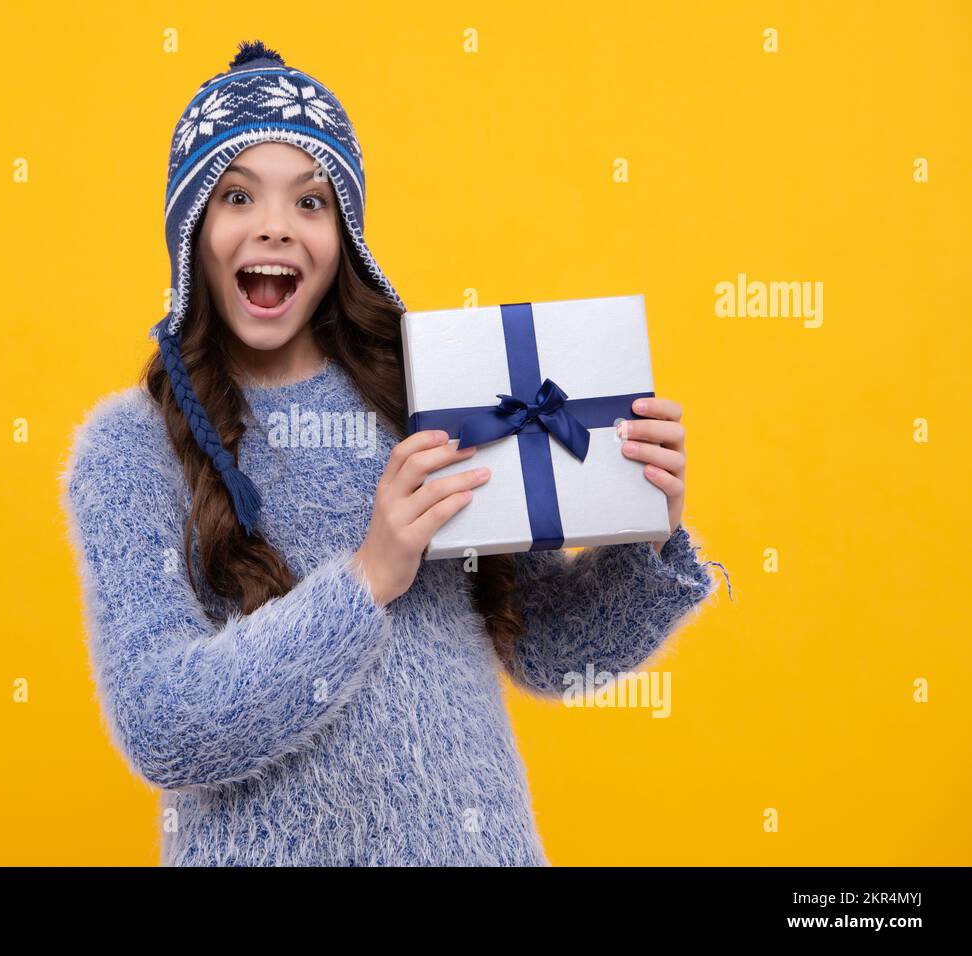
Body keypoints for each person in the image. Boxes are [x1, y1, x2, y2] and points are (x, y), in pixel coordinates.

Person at [60, 39, 731, 866]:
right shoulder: (130, 449)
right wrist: (369, 577)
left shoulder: (424, 399)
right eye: (239, 196)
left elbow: (549, 652)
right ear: (193, 228)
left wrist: (644, 534)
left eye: (311, 202)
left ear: (344, 236)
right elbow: (163, 724)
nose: (276, 224)